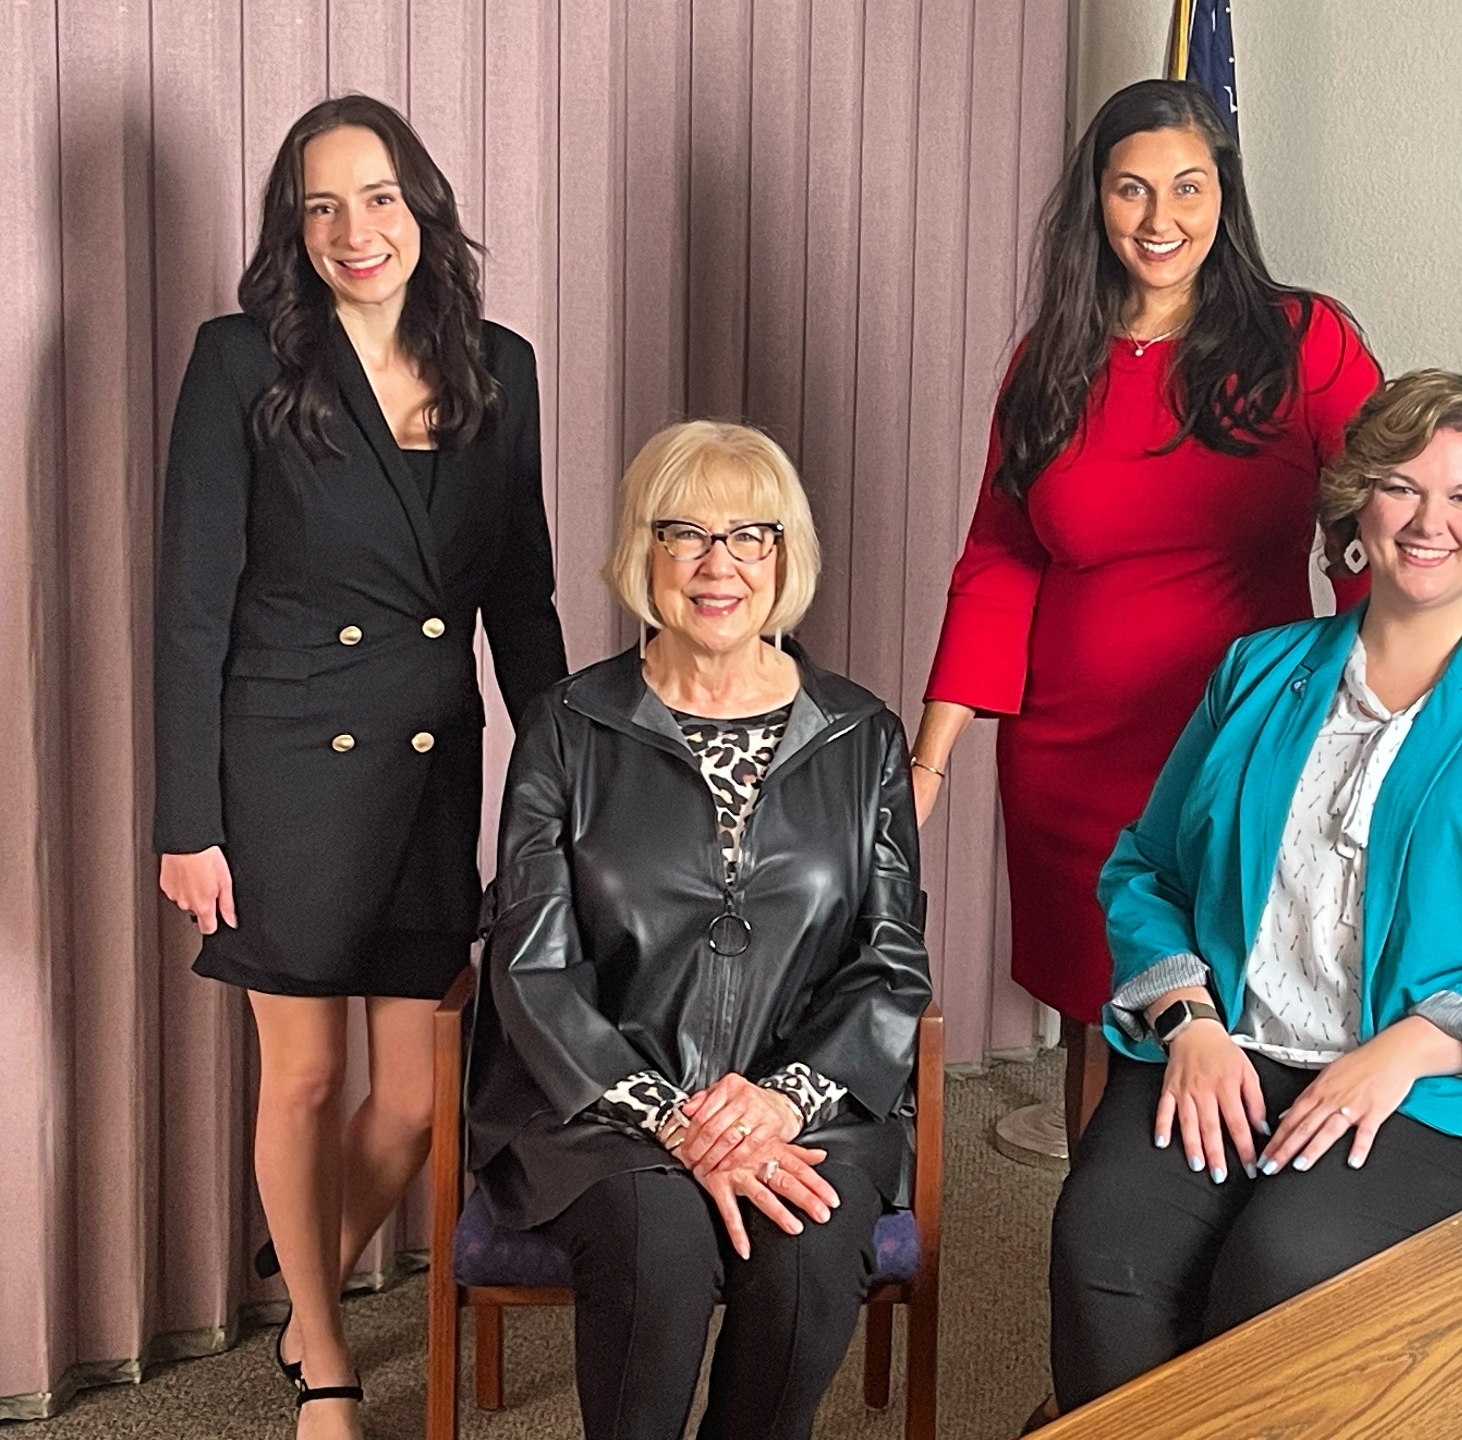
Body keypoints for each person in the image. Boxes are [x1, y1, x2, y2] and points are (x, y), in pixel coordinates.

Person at [1048, 370, 1462, 1410]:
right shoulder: (1257, 672)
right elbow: (1146, 868)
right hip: (1231, 1054)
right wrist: (1191, 1021)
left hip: (1439, 1090)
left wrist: (1405, 1050)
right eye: (1400, 486)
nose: (1431, 522)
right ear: (1357, 503)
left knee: (1286, 1263)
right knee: (1105, 1242)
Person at [152, 95, 567, 1438]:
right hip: (283, 762)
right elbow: (191, 606)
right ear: (293, 227)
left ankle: (304, 1280)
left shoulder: (499, 365)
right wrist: (185, 819)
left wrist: (570, 790)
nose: (354, 229)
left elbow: (524, 598)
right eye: (321, 205)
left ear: (423, 207)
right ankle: (324, 1361)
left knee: (408, 1102)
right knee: (309, 1080)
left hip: (434, 768)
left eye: (379, 197)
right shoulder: (239, 362)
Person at [912, 79, 1381, 1145]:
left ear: (1226, 196)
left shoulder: (1303, 341)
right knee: (1097, 1007)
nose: (1160, 219)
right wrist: (929, 761)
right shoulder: (1049, 360)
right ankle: (1104, 1219)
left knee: (1235, 1000)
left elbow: (1371, 531)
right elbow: (998, 561)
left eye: (1187, 187)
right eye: (1132, 190)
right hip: (1068, 751)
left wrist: (1380, 717)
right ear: (1096, 201)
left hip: (1242, 742)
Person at [465, 421, 932, 1440]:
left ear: (785, 555)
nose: (718, 565)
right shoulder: (567, 725)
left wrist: (776, 1103)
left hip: (807, 1105)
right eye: (685, 534)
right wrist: (673, 1117)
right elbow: (532, 963)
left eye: (748, 537)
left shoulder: (862, 736)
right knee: (658, 1248)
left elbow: (890, 959)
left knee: (808, 1258)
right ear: (645, 552)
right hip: (593, 1109)